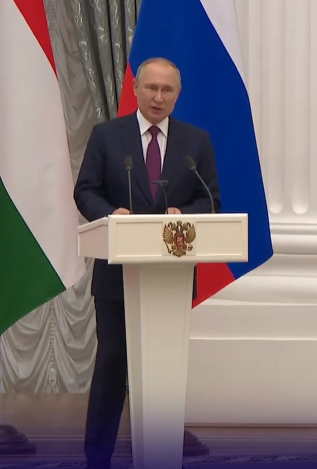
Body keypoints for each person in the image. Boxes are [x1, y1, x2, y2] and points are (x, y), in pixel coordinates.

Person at [73, 57, 222, 469]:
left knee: (162, 370)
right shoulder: (107, 136)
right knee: (112, 367)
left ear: (178, 94)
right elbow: (85, 190)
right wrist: (111, 214)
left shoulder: (196, 142)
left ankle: (158, 454)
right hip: (116, 278)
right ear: (136, 89)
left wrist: (183, 214)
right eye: (151, 88)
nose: (158, 97)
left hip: (170, 279)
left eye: (167, 90)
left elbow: (210, 200)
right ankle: (97, 459)